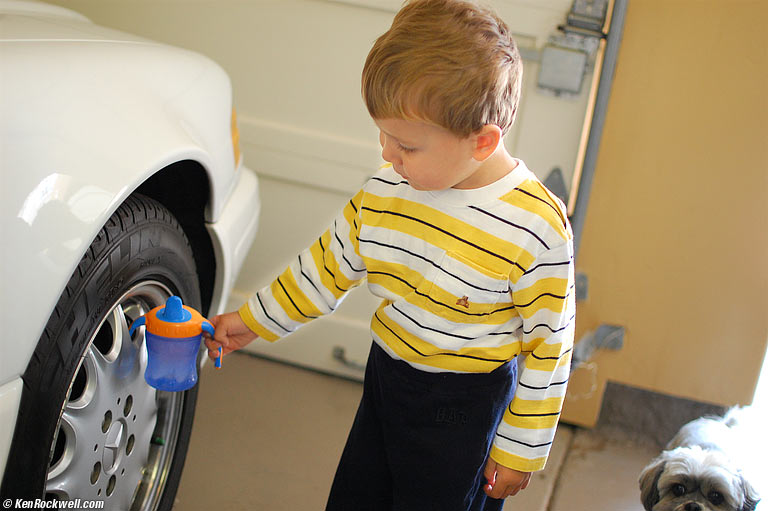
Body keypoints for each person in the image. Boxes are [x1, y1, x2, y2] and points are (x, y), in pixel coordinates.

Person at [204, 0, 575, 509]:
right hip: (388, 379)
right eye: (383, 134)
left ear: (483, 142)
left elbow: (548, 346)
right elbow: (325, 267)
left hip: (465, 407)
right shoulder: (386, 191)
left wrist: (519, 450)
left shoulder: (534, 226)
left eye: (406, 145)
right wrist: (255, 319)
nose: (386, 153)